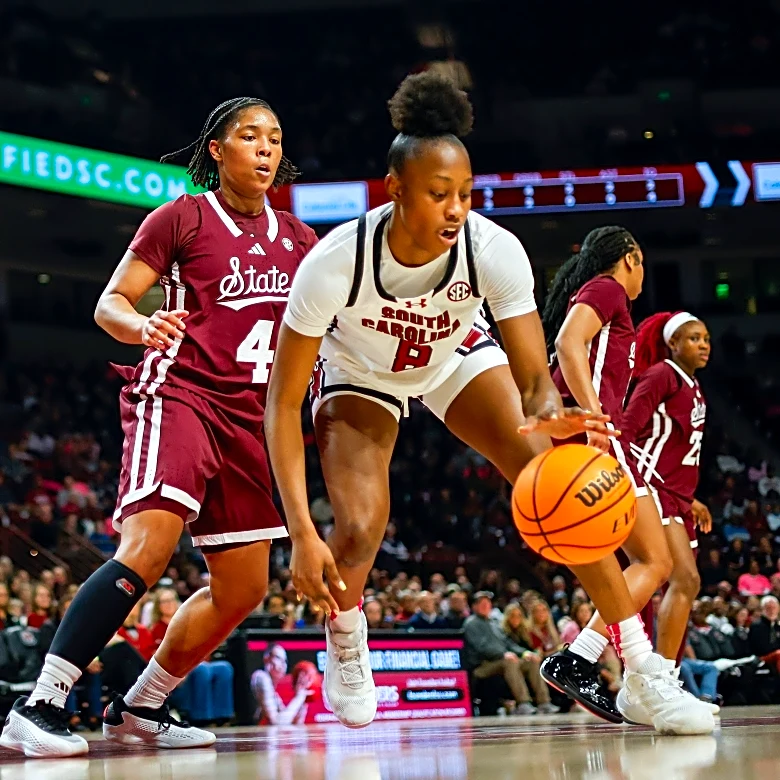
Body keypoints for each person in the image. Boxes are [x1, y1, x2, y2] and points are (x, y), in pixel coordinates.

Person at [265, 72, 608, 730]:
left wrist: (547, 411)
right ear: (396, 190)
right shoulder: (335, 261)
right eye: (439, 194)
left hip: (450, 352)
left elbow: (534, 375)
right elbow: (280, 406)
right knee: (361, 527)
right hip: (362, 368)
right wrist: (303, 534)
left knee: (545, 469)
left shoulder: (493, 248)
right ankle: (345, 636)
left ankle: (627, 647)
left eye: (465, 194)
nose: (456, 208)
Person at [0, 96, 316, 759]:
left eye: (275, 138)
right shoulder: (182, 217)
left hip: (254, 420)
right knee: (148, 545)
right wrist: (143, 325)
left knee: (245, 588)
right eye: (249, 136)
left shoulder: (301, 241)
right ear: (217, 151)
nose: (265, 147)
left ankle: (141, 705)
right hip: (182, 395)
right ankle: (39, 704)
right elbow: (109, 303)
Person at [537, 228, 715, 734]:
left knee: (653, 562)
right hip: (598, 435)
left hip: (596, 435)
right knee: (655, 561)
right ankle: (593, 661)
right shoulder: (607, 288)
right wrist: (593, 416)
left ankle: (580, 658)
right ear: (631, 259)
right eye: (643, 264)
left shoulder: (609, 301)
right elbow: (568, 343)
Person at [619, 312, 712, 683]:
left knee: (684, 583)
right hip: (653, 487)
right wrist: (648, 485)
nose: (703, 344)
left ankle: (663, 677)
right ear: (672, 343)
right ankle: (659, 678)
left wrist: (692, 499)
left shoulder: (693, 385)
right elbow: (627, 431)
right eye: (693, 338)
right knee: (684, 579)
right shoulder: (662, 375)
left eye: (706, 338)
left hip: (676, 495)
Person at [465, 594, 559, 715]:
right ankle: (523, 703)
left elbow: (508, 643)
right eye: (482, 604)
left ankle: (544, 702)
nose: (486, 606)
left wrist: (525, 653)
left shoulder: (493, 623)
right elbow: (481, 648)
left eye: (488, 603)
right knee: (509, 661)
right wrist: (503, 654)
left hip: (500, 661)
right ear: (474, 606)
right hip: (482, 666)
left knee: (532, 661)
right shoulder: (471, 624)